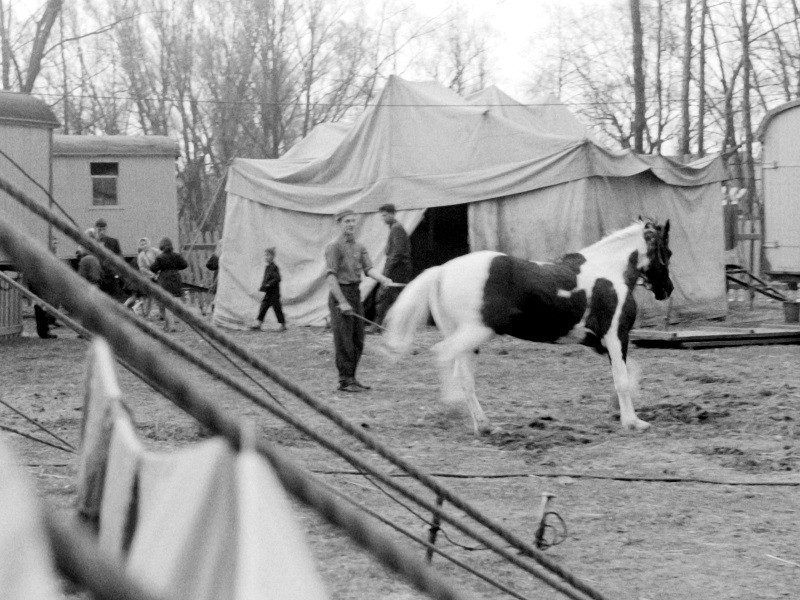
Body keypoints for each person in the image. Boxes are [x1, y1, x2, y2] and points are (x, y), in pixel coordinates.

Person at [325, 209, 393, 393]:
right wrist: (342, 302)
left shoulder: (359, 247)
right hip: (341, 294)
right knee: (344, 340)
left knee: (358, 340)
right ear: (339, 223)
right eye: (347, 221)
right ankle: (345, 380)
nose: (351, 224)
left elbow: (369, 269)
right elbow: (331, 278)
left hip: (355, 294)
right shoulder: (334, 247)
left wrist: (383, 279)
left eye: (353, 221)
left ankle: (353, 377)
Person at [371, 203, 412, 331]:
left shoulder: (396, 228)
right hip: (397, 268)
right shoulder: (394, 227)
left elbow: (397, 253)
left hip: (397, 269)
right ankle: (385, 325)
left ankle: (378, 326)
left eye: (384, 215)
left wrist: (386, 273)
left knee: (384, 296)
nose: (383, 218)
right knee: (390, 297)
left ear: (391, 214)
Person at [150, 237, 188, 332]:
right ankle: (169, 325)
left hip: (165, 279)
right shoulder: (176, 255)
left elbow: (153, 268)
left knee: (166, 303)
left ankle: (171, 326)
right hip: (175, 278)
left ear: (161, 246)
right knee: (174, 300)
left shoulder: (160, 257)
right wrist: (175, 268)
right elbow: (184, 264)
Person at [251, 247, 286, 332]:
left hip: (274, 293)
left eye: (268, 255)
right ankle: (259, 324)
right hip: (269, 293)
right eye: (265, 255)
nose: (266, 257)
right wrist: (263, 286)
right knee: (263, 307)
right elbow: (266, 278)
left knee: (277, 309)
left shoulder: (274, 267)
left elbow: (278, 278)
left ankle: (283, 325)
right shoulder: (268, 267)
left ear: (273, 256)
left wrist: (268, 284)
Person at [124, 237, 160, 318]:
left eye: (145, 244)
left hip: (143, 279)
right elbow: (142, 269)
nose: (144, 246)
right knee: (145, 297)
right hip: (143, 280)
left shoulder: (154, 251)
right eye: (142, 244)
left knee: (143, 298)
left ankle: (145, 313)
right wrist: (152, 275)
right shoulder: (140, 257)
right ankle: (144, 313)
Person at [94, 218, 124, 300]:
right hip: (98, 276)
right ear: (95, 229)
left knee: (114, 299)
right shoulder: (91, 242)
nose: (102, 232)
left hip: (111, 276)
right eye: (99, 230)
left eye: (104, 229)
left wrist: (117, 273)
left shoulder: (113, 242)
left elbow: (120, 258)